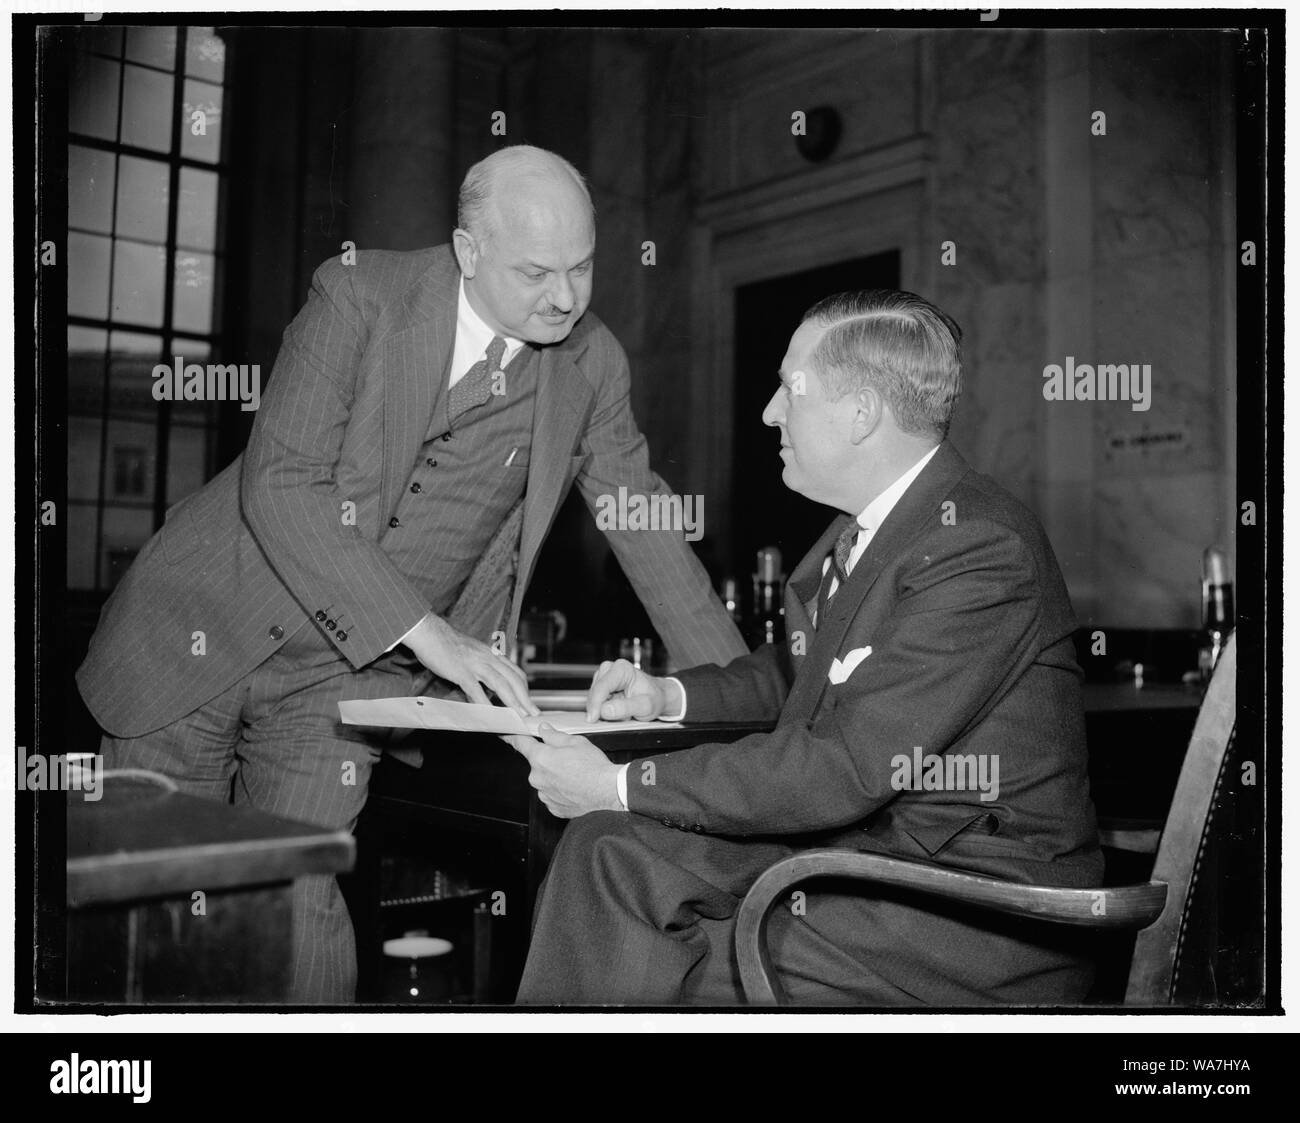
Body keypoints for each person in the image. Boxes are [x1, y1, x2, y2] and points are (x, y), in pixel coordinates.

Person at [76, 145, 746, 1003]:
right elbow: (280, 481)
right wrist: (433, 635)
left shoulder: (591, 365)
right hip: (200, 629)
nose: (567, 297)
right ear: (468, 253)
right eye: (536, 271)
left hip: (343, 683)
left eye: (582, 268)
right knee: (158, 896)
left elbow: (642, 523)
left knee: (295, 895)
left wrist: (738, 698)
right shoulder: (360, 296)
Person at [507, 289, 1103, 1006]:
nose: (768, 412)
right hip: (872, 857)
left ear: (860, 413)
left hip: (968, 917)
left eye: (791, 389)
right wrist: (671, 693)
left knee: (658, 951)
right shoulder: (878, 530)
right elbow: (801, 670)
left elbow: (848, 764)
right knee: (607, 853)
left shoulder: (977, 545)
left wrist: (619, 783)